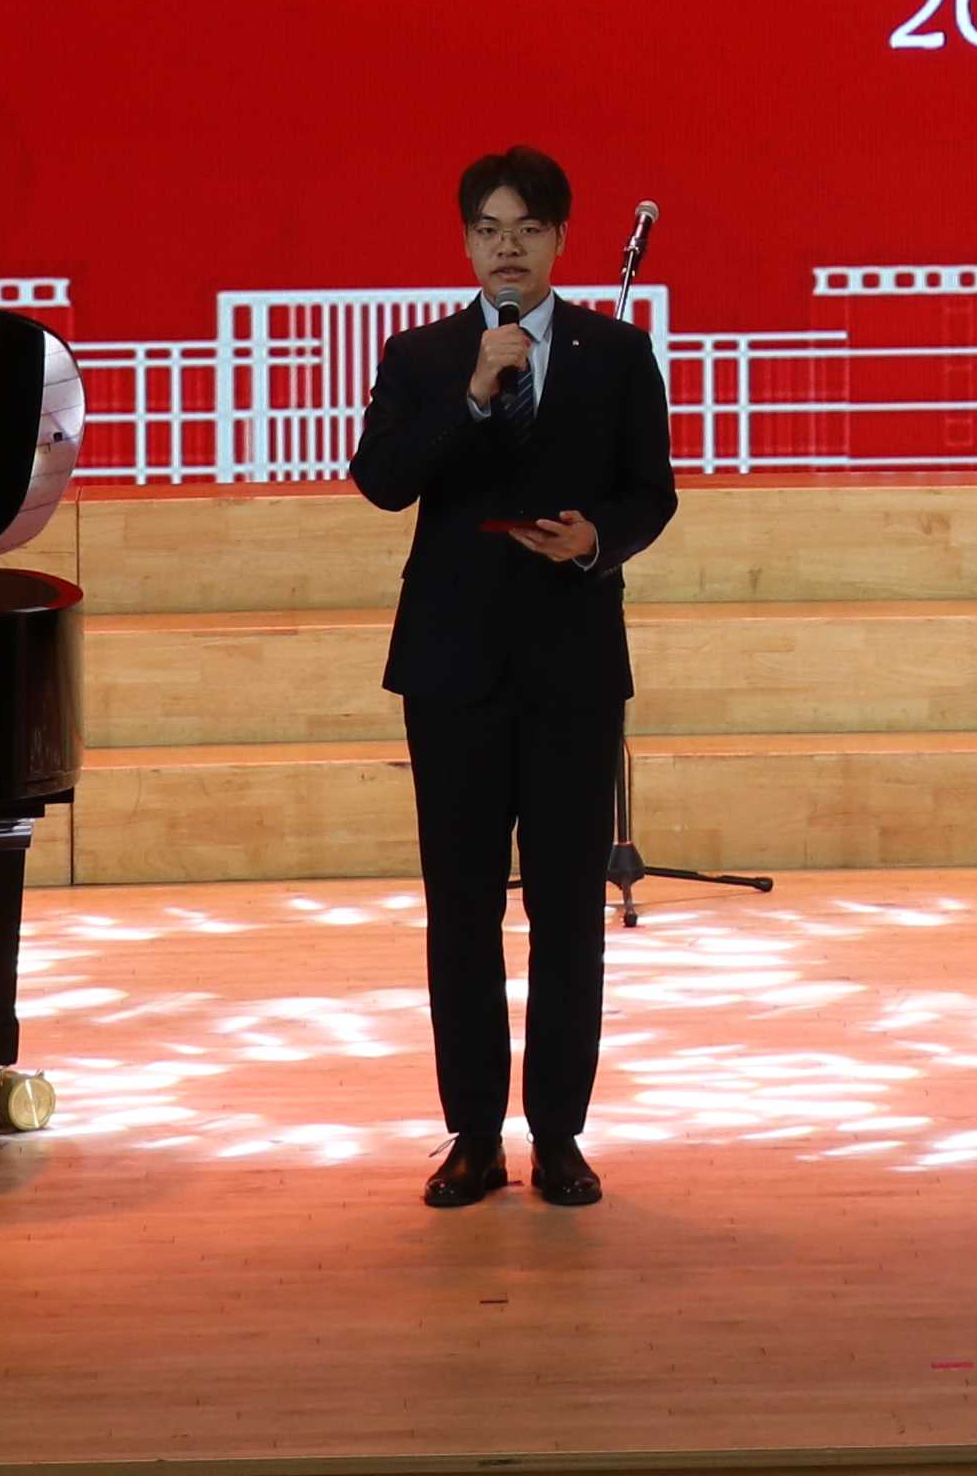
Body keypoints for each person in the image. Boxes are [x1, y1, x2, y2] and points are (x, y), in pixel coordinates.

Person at [349, 146, 679, 1207]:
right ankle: (474, 1136)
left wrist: (597, 540)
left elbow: (653, 491)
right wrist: (472, 393)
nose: (508, 247)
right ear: (465, 242)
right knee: (460, 908)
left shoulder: (616, 352)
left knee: (568, 908)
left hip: (571, 662)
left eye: (528, 229)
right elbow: (382, 480)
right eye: (489, 229)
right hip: (452, 663)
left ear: (559, 239)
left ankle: (561, 1135)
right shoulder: (422, 355)